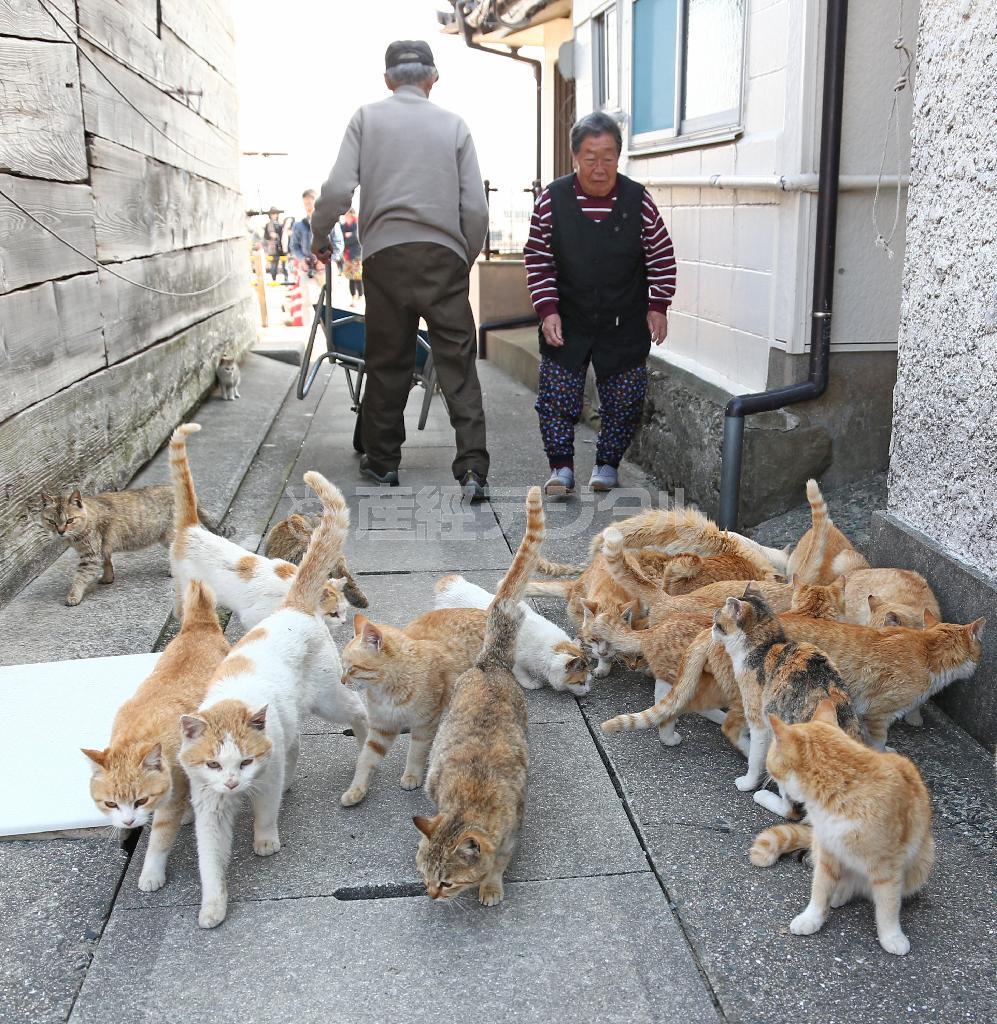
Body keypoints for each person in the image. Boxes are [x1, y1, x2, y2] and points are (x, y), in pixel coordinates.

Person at [311, 40, 491, 501]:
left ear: (388, 79)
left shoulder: (367, 119)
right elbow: (475, 208)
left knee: (387, 360)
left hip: (386, 257)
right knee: (457, 364)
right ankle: (472, 467)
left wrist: (318, 235)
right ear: (433, 78)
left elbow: (334, 190)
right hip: (444, 256)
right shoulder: (454, 125)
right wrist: (462, 257)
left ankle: (385, 463)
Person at [524, 111, 676, 498]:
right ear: (575, 156)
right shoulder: (551, 200)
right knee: (557, 396)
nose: (599, 167)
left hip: (624, 315)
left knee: (625, 398)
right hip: (569, 315)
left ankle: (607, 464)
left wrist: (658, 305)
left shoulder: (637, 200)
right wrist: (547, 310)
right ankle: (561, 469)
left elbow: (661, 255)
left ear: (619, 157)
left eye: (608, 156)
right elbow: (538, 259)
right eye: (590, 157)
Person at [341, 209, 364, 307]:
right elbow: (340, 238)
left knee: (358, 277)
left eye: (348, 214)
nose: (346, 216)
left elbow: (356, 238)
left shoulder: (357, 224)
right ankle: (353, 297)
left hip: (357, 255)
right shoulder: (343, 226)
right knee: (350, 277)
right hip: (347, 256)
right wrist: (347, 239)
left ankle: (360, 296)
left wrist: (347, 240)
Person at [262, 207, 287, 282]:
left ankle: (286, 279)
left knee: (284, 265)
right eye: (272, 213)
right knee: (273, 265)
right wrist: (270, 235)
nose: (274, 215)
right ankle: (274, 280)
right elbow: (265, 236)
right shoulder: (267, 225)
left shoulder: (281, 224)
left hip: (282, 247)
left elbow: (285, 235)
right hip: (273, 248)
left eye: (276, 213)